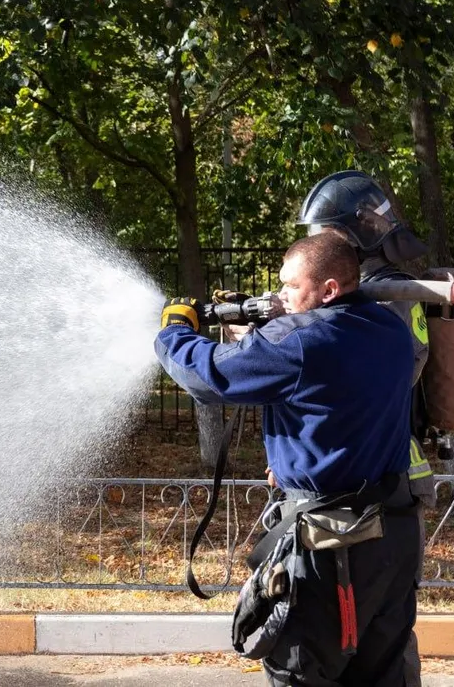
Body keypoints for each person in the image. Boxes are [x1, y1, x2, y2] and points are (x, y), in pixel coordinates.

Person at [156, 232, 420, 686]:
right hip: (392, 538)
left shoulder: (300, 341)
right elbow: (332, 401)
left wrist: (174, 330)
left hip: (331, 547)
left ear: (330, 289)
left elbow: (211, 377)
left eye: (289, 287)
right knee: (381, 675)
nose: (278, 297)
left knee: (300, 670)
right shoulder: (390, 330)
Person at [297, 170, 435, 687]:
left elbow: (349, 375)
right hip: (387, 479)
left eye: (325, 237)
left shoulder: (382, 298)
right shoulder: (391, 294)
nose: (317, 246)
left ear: (354, 236)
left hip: (372, 489)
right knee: (379, 632)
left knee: (368, 639)